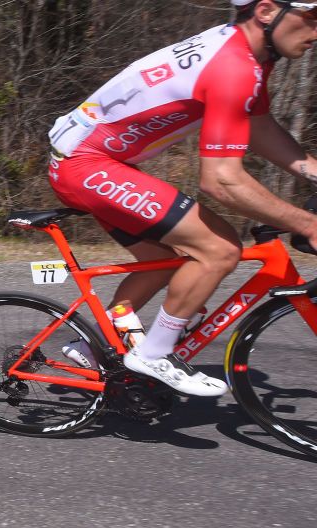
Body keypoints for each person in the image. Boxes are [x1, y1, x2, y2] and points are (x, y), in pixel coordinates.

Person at [47, 0, 317, 396]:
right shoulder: (234, 66)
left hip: (96, 158)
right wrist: (308, 224)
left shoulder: (246, 54)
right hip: (85, 162)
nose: (316, 32)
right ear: (265, 11)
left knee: (163, 261)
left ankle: (95, 347)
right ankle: (154, 353)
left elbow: (258, 128)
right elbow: (222, 181)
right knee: (219, 248)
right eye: (311, 17)